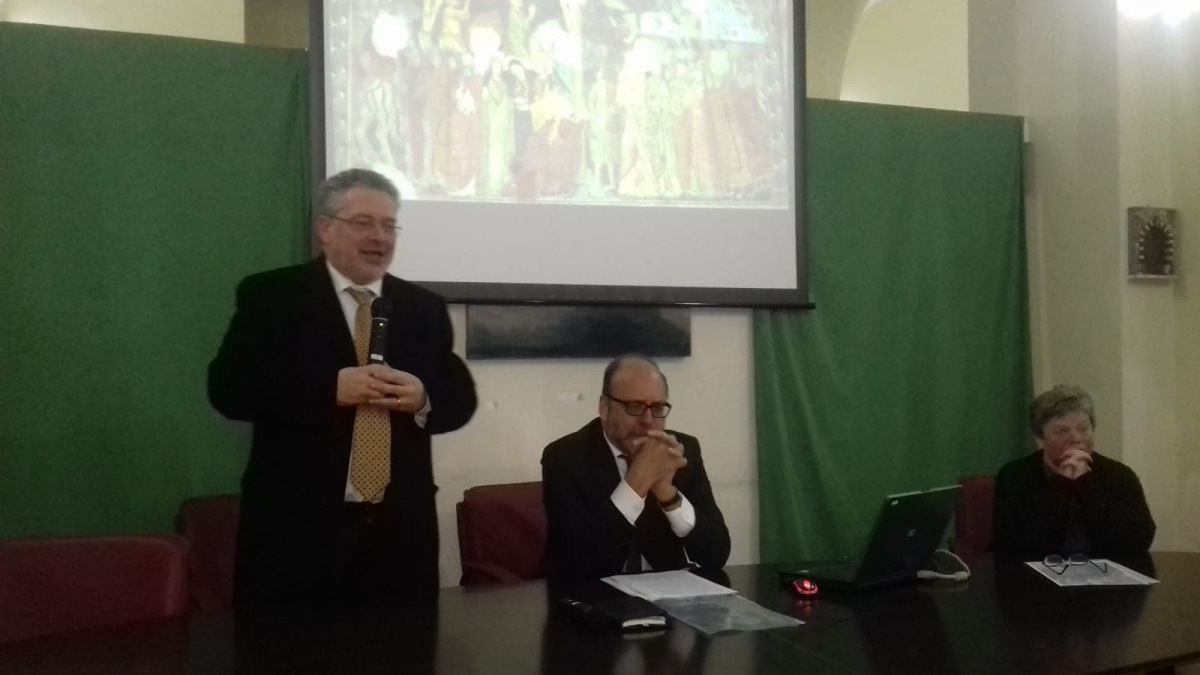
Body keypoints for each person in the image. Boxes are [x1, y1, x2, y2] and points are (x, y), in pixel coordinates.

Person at [208, 168, 477, 608]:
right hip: (295, 534)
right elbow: (229, 388)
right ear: (325, 229)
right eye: (363, 223)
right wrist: (329, 389)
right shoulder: (273, 296)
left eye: (389, 225)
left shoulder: (422, 308)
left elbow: (460, 398)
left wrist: (422, 399)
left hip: (399, 537)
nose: (379, 237)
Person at [541, 355, 731, 579]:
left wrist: (667, 493)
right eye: (635, 407)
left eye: (657, 408)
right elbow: (579, 562)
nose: (648, 420)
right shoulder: (564, 457)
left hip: (667, 591)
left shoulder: (680, 451)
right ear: (605, 408)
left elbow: (717, 554)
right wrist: (637, 482)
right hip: (593, 594)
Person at [993, 385, 1155, 558]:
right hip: (1035, 571)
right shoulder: (1014, 474)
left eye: (1083, 428)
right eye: (1062, 430)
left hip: (1104, 571)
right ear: (1039, 439)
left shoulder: (1119, 475)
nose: (1076, 438)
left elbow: (1139, 541)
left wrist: (1085, 484)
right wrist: (1061, 484)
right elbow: (1017, 544)